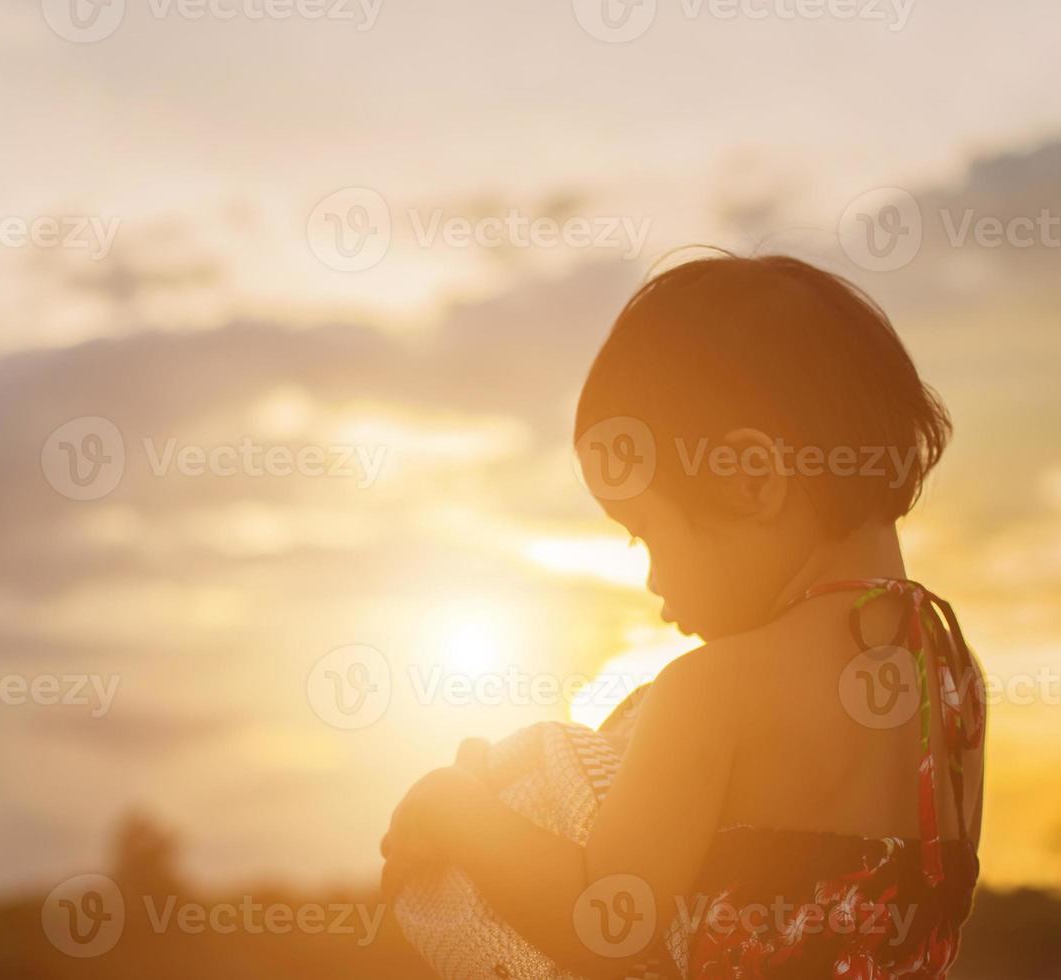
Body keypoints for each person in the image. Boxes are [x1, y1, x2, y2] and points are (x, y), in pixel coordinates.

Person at [381, 252, 987, 979]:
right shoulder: (954, 681)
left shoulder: (715, 689)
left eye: (644, 531)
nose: (652, 580)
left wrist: (453, 809)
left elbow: (607, 917)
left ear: (751, 480)